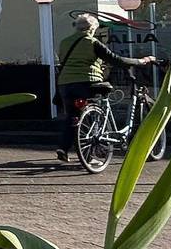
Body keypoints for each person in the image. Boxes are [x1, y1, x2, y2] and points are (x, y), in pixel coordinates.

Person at [55, 14, 156, 162]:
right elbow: (117, 60)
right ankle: (93, 148)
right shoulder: (92, 42)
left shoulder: (64, 42)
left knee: (73, 116)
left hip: (65, 84)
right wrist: (142, 60)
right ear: (92, 28)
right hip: (87, 82)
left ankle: (63, 147)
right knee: (94, 109)